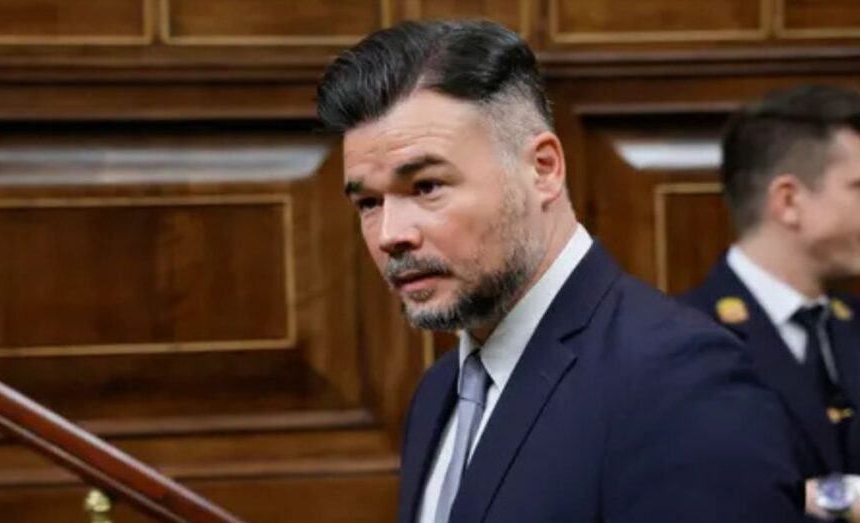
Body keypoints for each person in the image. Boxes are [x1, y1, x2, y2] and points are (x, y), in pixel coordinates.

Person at [317, 19, 803, 523]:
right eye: (369, 202)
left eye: (427, 187)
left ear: (543, 169)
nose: (390, 234)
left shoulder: (681, 381)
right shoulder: (439, 391)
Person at [681, 84, 860, 521]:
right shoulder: (681, 341)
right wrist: (837, 500)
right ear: (789, 201)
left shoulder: (852, 323)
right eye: (858, 187)